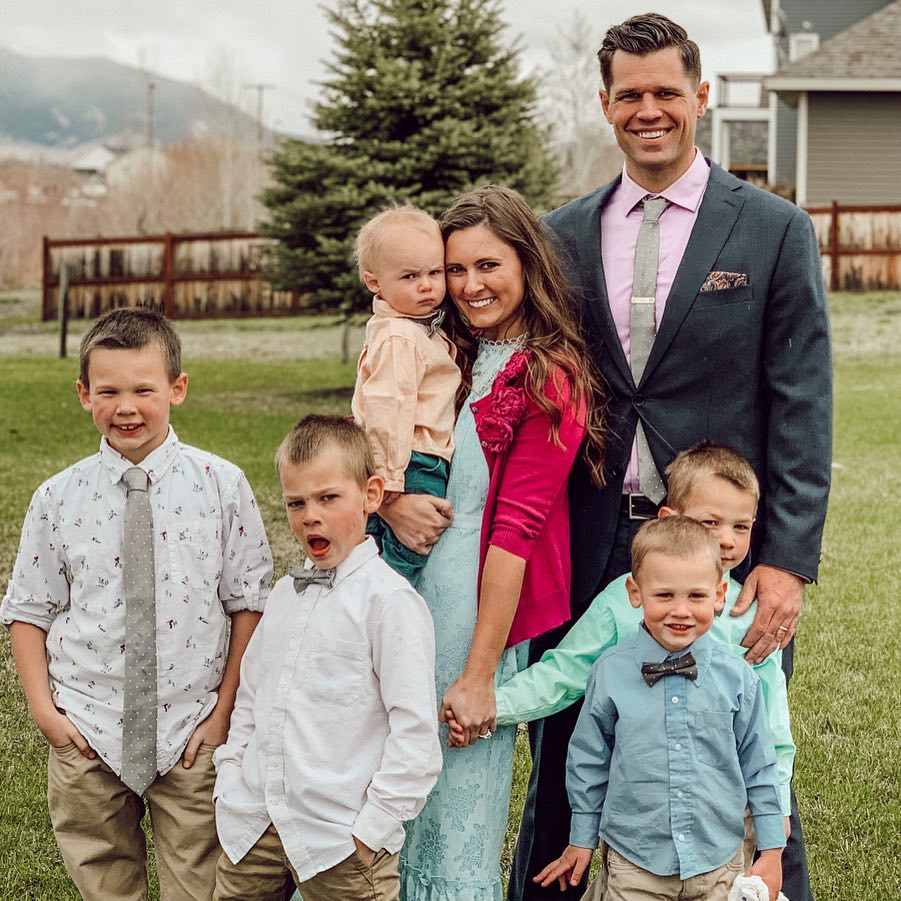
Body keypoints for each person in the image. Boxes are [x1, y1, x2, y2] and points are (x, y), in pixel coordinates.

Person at [510, 14, 832, 900]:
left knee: (744, 750)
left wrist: (785, 561)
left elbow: (803, 403)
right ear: (605, 104)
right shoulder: (560, 233)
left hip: (719, 553)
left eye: (665, 92)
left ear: (700, 97)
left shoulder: (771, 230)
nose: (648, 110)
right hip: (590, 540)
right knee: (569, 749)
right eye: (629, 94)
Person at [1, 307, 272, 901]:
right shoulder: (56, 499)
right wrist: (47, 713)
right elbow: (29, 610)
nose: (127, 407)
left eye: (144, 389)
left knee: (200, 882)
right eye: (109, 391)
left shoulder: (222, 486)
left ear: (176, 388)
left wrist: (223, 711)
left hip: (192, 728)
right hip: (88, 727)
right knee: (103, 875)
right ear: (83, 395)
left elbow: (248, 605)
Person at [390, 185, 607, 900]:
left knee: (450, 803)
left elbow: (515, 533)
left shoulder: (549, 377)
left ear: (526, 262)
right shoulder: (444, 353)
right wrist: (391, 503)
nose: (469, 285)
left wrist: (481, 673)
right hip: (396, 596)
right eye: (454, 270)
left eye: (488, 265)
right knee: (379, 793)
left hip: (467, 610)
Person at [212, 415, 442, 901]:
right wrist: (230, 781)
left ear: (372, 495)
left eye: (328, 498)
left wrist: (371, 829)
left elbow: (415, 734)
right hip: (254, 823)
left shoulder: (389, 604)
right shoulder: (283, 596)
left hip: (340, 837)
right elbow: (251, 699)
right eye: (296, 503)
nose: (309, 516)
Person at [534, 516, 786, 901]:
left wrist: (771, 849)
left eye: (696, 596)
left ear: (719, 595)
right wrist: (582, 838)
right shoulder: (611, 673)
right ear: (635, 593)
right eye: (664, 595)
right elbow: (587, 760)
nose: (681, 611)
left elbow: (760, 764)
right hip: (635, 864)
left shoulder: (738, 677)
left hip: (718, 863)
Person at [351, 206, 461, 584]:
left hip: (403, 462)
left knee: (375, 548)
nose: (427, 285)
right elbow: (389, 411)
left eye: (434, 272)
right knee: (406, 558)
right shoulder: (400, 337)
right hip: (413, 464)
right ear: (374, 281)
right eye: (410, 276)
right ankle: (389, 611)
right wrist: (389, 490)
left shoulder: (409, 328)